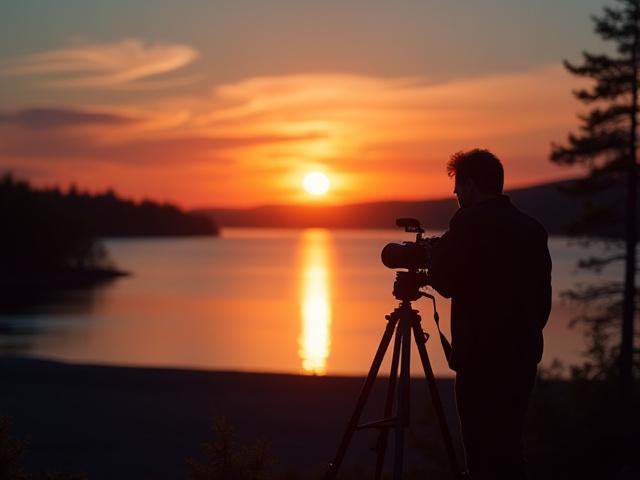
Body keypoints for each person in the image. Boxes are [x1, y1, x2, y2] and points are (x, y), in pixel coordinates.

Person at [425, 149, 552, 480]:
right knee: (509, 448)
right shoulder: (533, 229)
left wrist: (435, 256)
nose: (454, 194)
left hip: (480, 360)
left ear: (469, 185)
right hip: (522, 358)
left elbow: (446, 282)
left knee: (480, 453)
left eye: (457, 186)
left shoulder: (468, 221)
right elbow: (543, 302)